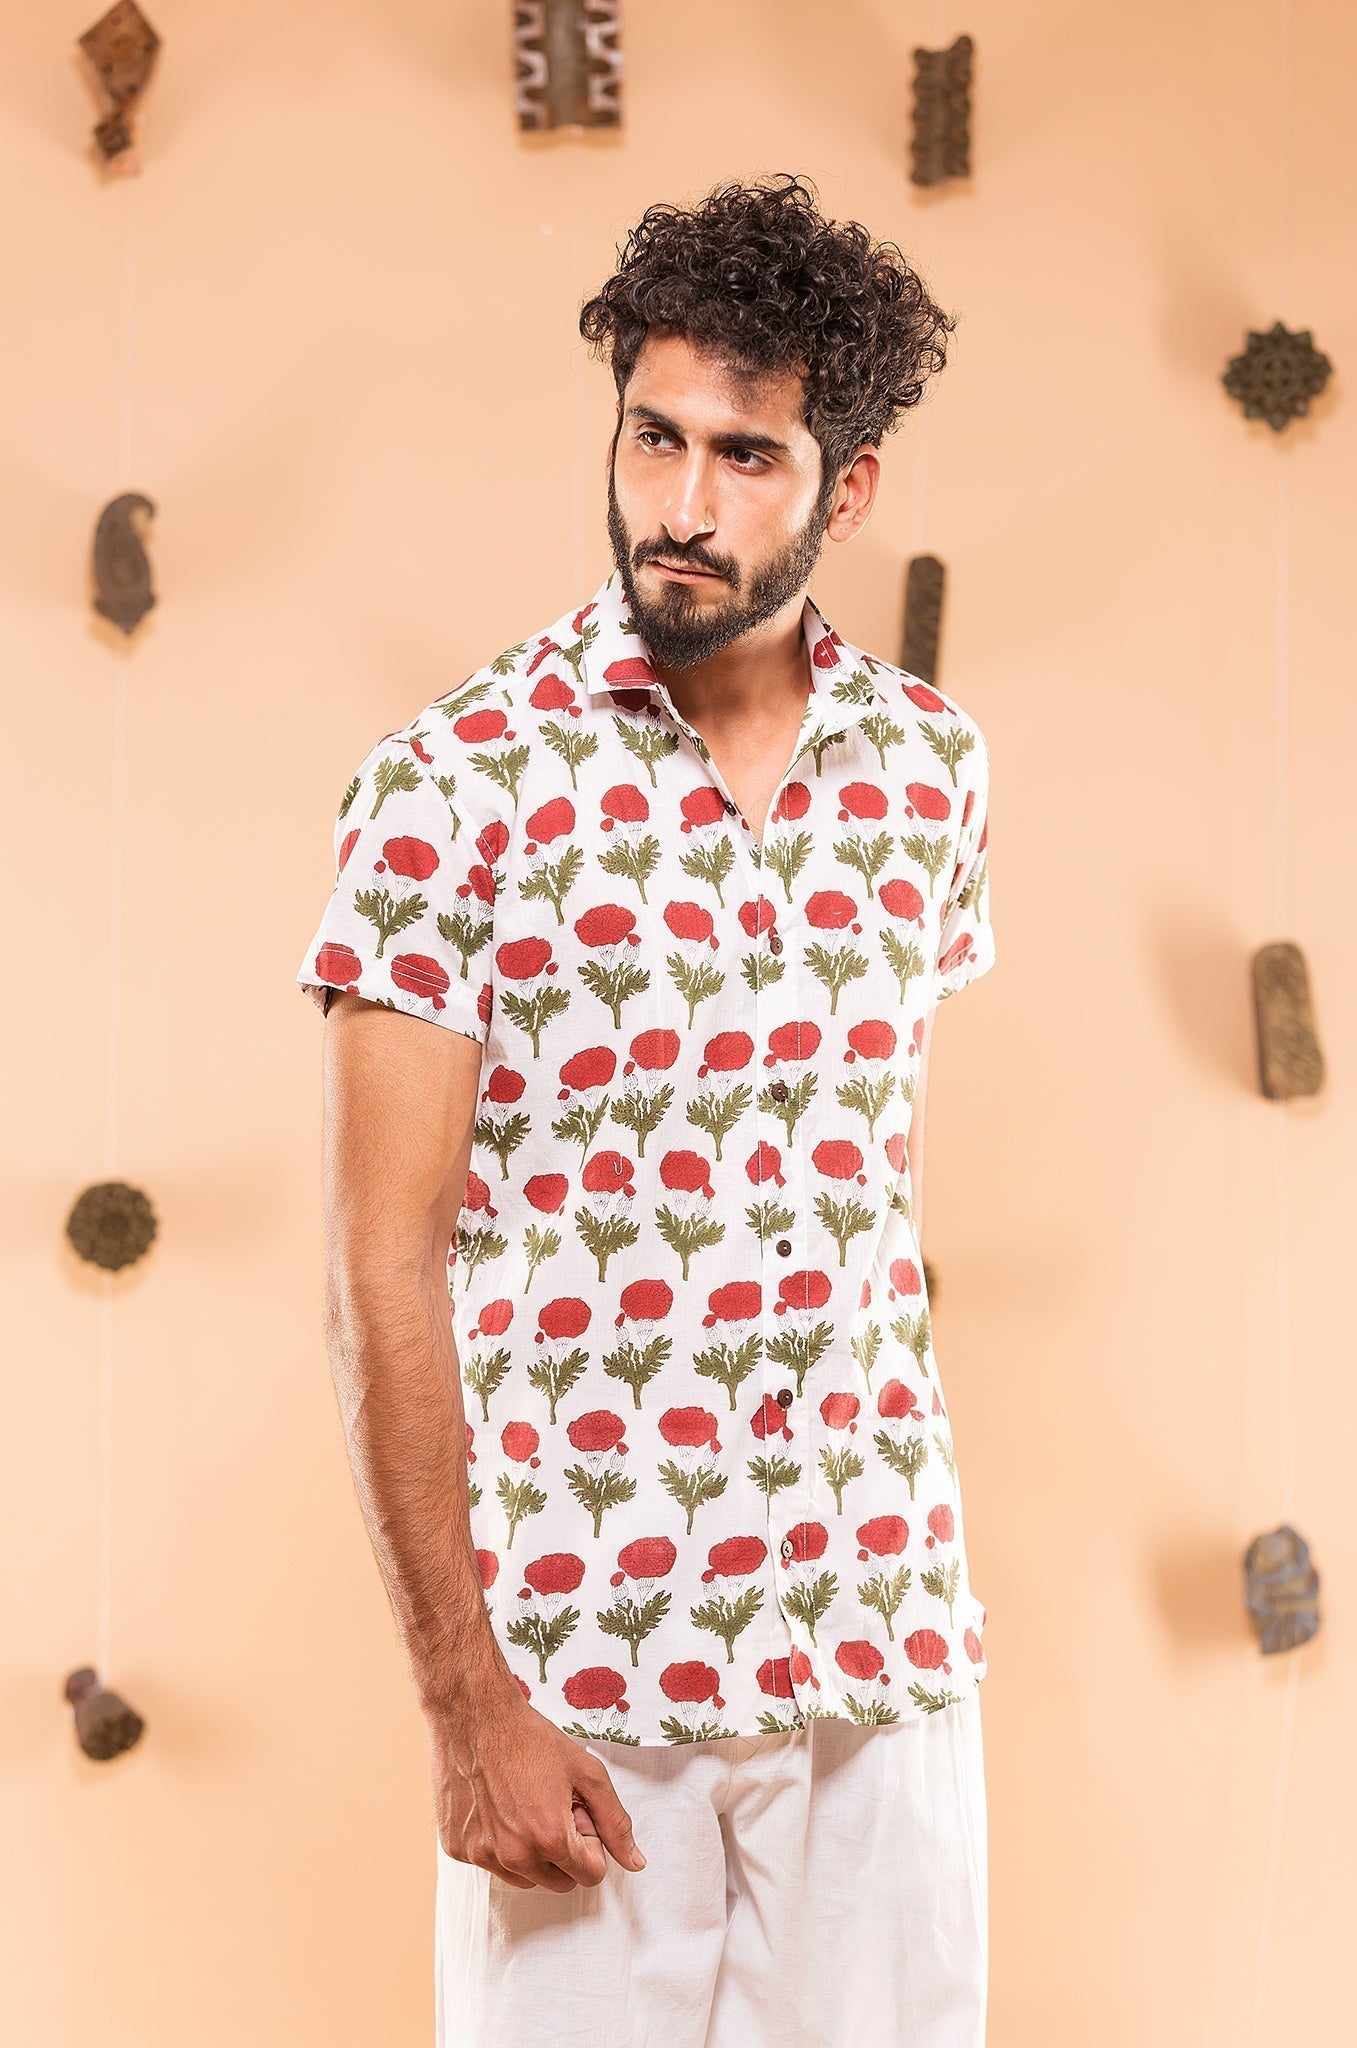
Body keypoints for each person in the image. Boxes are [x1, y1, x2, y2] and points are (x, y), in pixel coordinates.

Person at [296, 173, 996, 2048]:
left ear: (847, 487)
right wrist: (465, 1703)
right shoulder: (452, 788)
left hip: (879, 1645)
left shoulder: (930, 773)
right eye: (652, 436)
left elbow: (857, 1195)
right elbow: (379, 1272)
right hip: (582, 1670)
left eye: (746, 456)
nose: (682, 505)